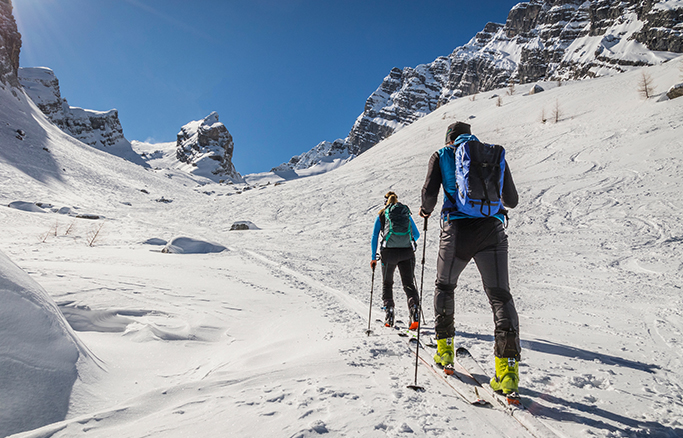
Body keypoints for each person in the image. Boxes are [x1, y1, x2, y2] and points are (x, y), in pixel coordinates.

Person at [419, 121, 521, 396]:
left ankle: (444, 351)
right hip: (492, 232)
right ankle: (508, 371)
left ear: (449, 138)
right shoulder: (491, 154)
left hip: (457, 232)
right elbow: (511, 200)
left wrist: (425, 210)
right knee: (501, 297)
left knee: (444, 286)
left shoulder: (442, 155)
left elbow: (429, 196)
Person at [370, 191, 421, 329]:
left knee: (387, 283)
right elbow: (416, 234)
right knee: (409, 283)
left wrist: (373, 258)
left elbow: (375, 237)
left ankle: (389, 313)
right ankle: (414, 310)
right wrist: (405, 242)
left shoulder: (382, 215)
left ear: (385, 202)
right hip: (407, 253)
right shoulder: (405, 214)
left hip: (388, 253)